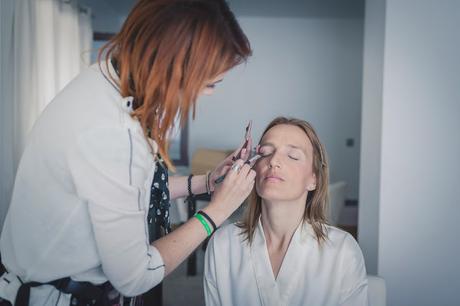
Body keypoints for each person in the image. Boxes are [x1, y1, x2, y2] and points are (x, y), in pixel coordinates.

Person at [0, 0, 255, 305]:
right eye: (211, 83)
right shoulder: (113, 131)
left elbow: (126, 190)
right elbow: (135, 276)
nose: (209, 93)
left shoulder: (104, 80)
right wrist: (217, 212)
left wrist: (205, 183)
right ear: (174, 68)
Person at [204, 117, 369, 306]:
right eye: (265, 153)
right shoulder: (223, 244)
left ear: (313, 179)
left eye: (292, 156)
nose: (273, 161)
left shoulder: (342, 251)